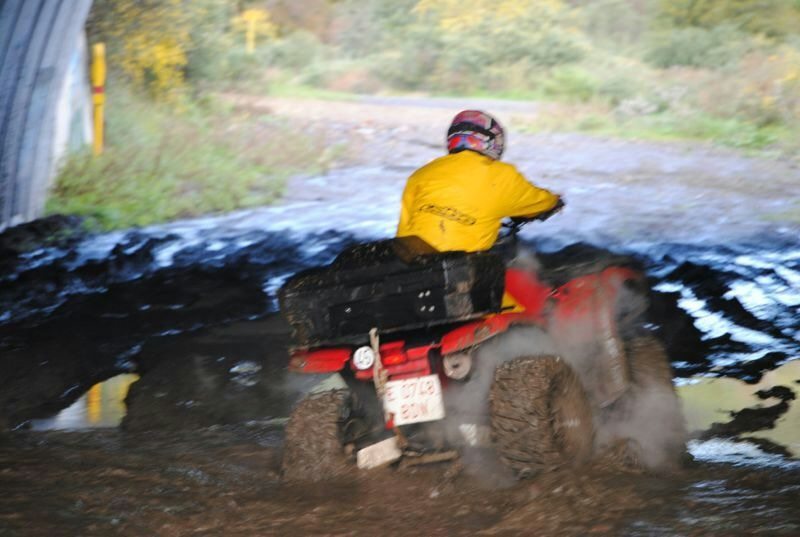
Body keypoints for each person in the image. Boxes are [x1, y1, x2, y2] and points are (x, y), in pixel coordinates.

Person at [396, 110, 562, 253]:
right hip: (462, 269)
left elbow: (403, 231)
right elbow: (539, 202)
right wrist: (555, 201)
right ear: (490, 141)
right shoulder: (501, 174)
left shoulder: (421, 173)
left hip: (411, 267)